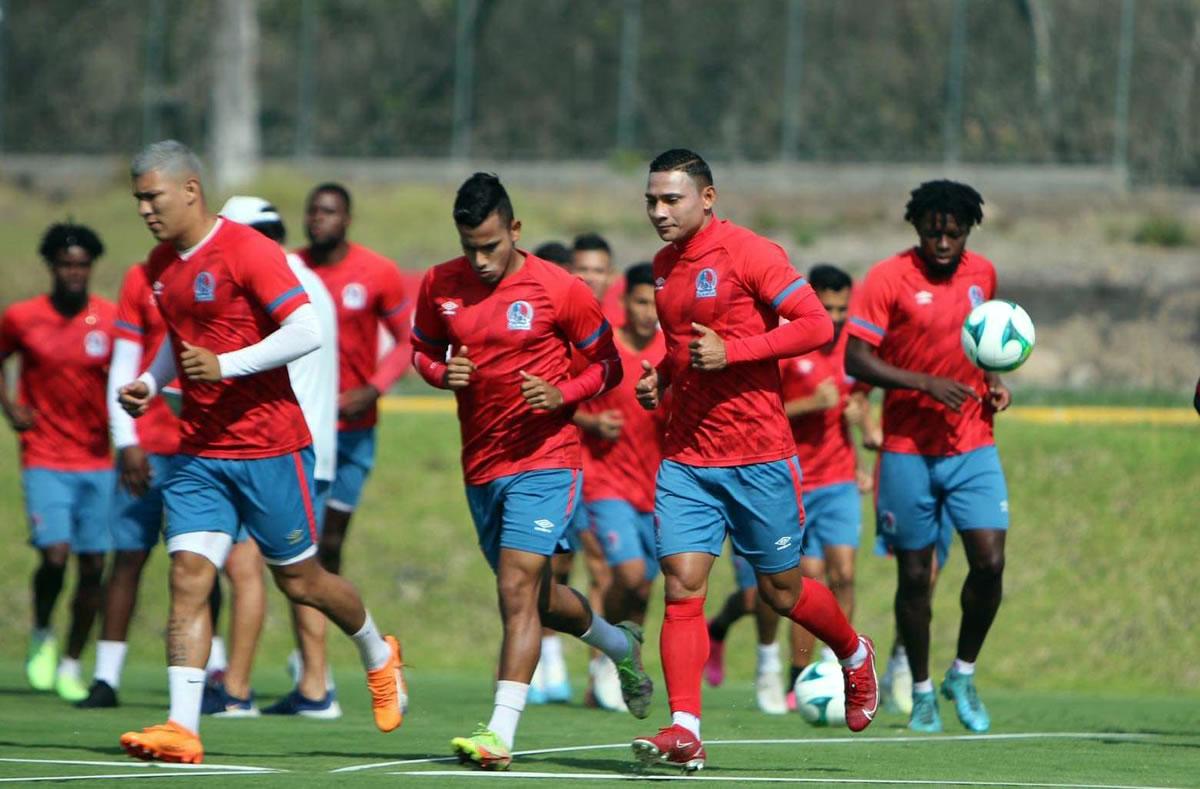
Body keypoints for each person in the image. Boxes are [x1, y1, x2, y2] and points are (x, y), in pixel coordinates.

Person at [115, 140, 404, 765]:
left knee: (301, 581)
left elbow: (306, 330)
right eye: (137, 198)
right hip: (199, 452)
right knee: (189, 575)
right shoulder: (161, 266)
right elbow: (178, 339)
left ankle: (378, 652)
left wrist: (226, 366)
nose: (144, 209)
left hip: (272, 448)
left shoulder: (250, 250)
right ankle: (182, 726)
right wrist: (150, 380)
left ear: (190, 189)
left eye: (152, 197)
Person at [630, 149, 877, 773]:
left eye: (671, 200)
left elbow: (817, 325)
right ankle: (686, 728)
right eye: (652, 200)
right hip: (687, 457)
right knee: (683, 588)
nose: (659, 212)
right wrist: (662, 376)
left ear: (707, 198)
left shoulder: (752, 253)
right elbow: (685, 350)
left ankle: (852, 653)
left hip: (758, 456)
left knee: (783, 590)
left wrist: (736, 352)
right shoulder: (662, 267)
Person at [410, 172, 653, 771]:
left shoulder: (559, 288)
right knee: (539, 601)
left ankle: (499, 732)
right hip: (481, 465)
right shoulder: (440, 284)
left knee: (515, 588)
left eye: (490, 245)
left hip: (545, 461)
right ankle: (620, 644)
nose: (480, 259)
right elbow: (421, 350)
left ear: (515, 231)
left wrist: (561, 395)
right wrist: (442, 375)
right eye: (470, 246)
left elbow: (608, 367)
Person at [844, 179, 1010, 734]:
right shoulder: (886, 279)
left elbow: (983, 344)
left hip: (972, 443)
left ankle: (962, 672)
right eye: (933, 230)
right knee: (915, 577)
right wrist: (923, 384)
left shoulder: (982, 275)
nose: (943, 241)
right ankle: (919, 691)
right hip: (907, 449)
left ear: (968, 231)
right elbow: (858, 359)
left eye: (954, 231)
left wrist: (994, 381)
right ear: (917, 227)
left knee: (989, 563)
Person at [208, 195, 342, 719]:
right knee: (301, 572)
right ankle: (314, 685)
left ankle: (236, 689)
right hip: (310, 448)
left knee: (247, 565)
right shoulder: (311, 282)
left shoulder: (269, 285)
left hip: (280, 448)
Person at [0, 223, 115, 703]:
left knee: (93, 566)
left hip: (97, 459)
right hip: (44, 455)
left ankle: (71, 659)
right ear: (52, 266)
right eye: (67, 264)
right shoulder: (22, 317)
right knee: (54, 554)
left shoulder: (108, 320)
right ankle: (43, 631)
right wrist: (9, 406)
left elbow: (133, 371)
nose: (75, 272)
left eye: (83, 265)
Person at [297, 183, 411, 583]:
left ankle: (320, 640)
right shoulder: (291, 270)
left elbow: (407, 341)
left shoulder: (377, 272)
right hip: (303, 429)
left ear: (347, 219)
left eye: (328, 211)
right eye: (312, 211)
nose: (318, 218)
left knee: (330, 543)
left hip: (354, 431)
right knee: (302, 545)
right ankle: (305, 646)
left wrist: (374, 389)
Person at [779, 264, 876, 706]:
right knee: (807, 581)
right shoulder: (786, 349)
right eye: (826, 307)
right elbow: (768, 412)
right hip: (796, 479)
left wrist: (865, 426)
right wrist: (809, 404)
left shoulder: (853, 354)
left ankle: (842, 664)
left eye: (842, 308)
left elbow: (860, 404)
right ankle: (796, 678)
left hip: (838, 479)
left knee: (845, 573)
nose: (835, 317)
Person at [573, 262, 665, 712]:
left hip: (657, 488)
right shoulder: (602, 348)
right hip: (606, 483)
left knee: (645, 587)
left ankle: (626, 664)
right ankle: (603, 657)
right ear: (625, 302)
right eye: (642, 302)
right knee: (625, 574)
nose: (650, 312)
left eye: (656, 303)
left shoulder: (670, 353)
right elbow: (560, 398)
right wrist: (591, 420)